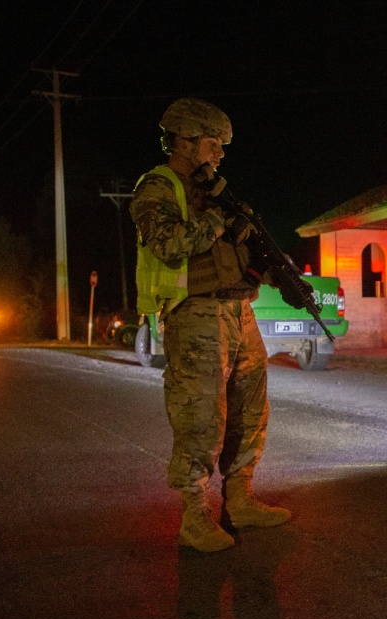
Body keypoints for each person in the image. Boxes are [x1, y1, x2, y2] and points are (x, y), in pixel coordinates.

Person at [131, 98, 291, 553]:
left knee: (250, 409)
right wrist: (219, 221)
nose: (220, 153)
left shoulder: (216, 192)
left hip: (239, 309)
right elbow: (167, 243)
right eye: (212, 143)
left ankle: (239, 499)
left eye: (222, 145)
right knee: (201, 416)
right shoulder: (157, 187)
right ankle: (195, 515)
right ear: (183, 141)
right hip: (195, 311)